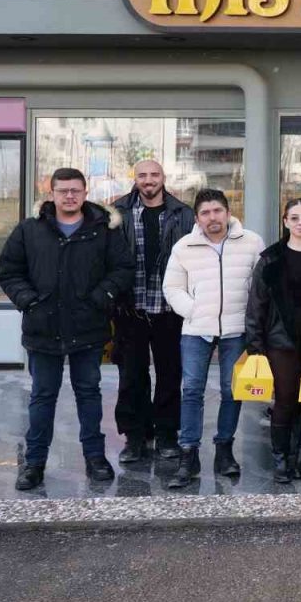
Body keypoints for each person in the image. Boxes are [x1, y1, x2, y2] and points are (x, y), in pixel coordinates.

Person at [0, 168, 135, 491]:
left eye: (75, 190)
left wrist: (101, 297)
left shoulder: (103, 230)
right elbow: (10, 272)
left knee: (89, 394)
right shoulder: (29, 230)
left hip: (88, 327)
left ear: (85, 193)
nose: (69, 196)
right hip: (42, 328)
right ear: (52, 194)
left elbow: (123, 268)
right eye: (63, 191)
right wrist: (29, 301)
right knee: (42, 396)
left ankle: (95, 458)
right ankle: (34, 463)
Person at [162, 189, 265, 488]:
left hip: (237, 330)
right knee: (192, 391)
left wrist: (252, 320)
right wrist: (193, 310)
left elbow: (261, 287)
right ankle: (188, 454)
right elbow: (172, 287)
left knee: (232, 391)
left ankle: (224, 451)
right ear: (197, 218)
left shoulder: (251, 242)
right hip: (196, 330)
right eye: (205, 213)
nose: (212, 217)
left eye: (217, 211)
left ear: (228, 213)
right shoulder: (184, 246)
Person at [111, 159, 194, 463]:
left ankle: (167, 435)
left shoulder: (182, 213)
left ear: (163, 177)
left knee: (170, 375)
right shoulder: (117, 212)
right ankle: (135, 437)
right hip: (130, 307)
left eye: (154, 174)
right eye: (143, 175)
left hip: (169, 309)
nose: (149, 180)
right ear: (135, 178)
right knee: (131, 376)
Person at [244, 198, 301, 482]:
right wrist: (255, 346)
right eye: (295, 218)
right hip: (281, 341)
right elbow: (256, 304)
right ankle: (281, 458)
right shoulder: (271, 258)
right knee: (285, 399)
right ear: (286, 222)